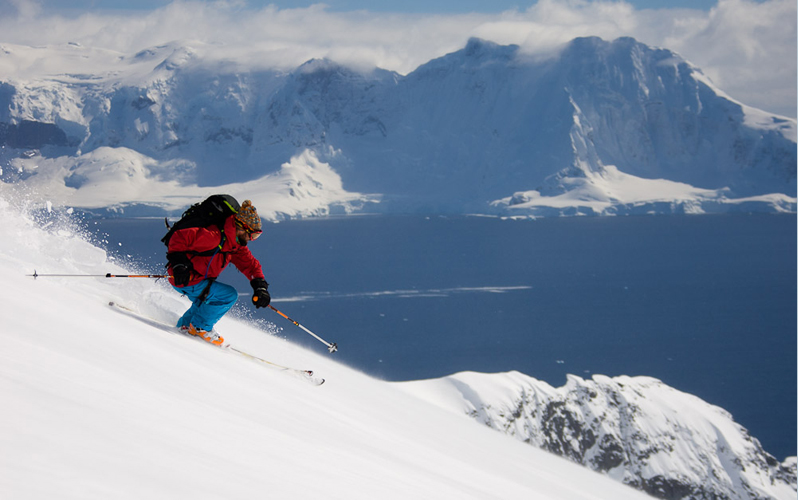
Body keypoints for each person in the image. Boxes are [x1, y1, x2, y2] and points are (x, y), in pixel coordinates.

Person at [166, 199, 271, 345]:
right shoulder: (213, 236)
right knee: (228, 295)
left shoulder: (234, 244)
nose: (251, 239)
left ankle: (185, 326)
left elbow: (250, 265)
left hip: (195, 279)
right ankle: (200, 327)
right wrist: (179, 265)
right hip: (185, 277)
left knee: (205, 300)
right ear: (241, 228)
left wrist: (260, 287)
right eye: (252, 235)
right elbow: (179, 237)